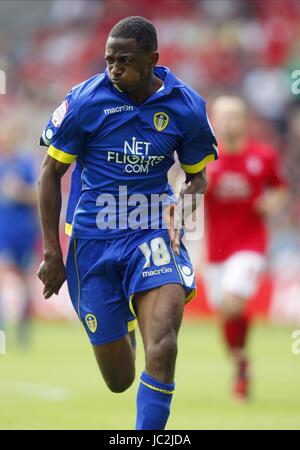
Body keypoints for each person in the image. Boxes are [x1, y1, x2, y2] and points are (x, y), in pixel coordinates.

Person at [38, 16, 218, 430]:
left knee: (165, 345)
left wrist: (184, 205)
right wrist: (53, 253)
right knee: (119, 380)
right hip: (92, 242)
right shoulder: (85, 101)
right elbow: (50, 173)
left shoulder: (186, 107)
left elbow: (197, 177)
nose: (114, 69)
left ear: (153, 60)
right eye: (108, 60)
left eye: (124, 61)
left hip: (151, 230)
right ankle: (124, 317)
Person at [204, 96, 287, 401]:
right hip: (217, 250)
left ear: (244, 120)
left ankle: (240, 363)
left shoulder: (262, 156)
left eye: (233, 117)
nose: (227, 123)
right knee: (226, 311)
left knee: (233, 302)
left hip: (250, 243)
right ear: (213, 121)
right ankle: (241, 362)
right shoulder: (205, 158)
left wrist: (272, 204)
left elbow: (279, 187)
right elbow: (182, 195)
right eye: (221, 117)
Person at [0, 118, 38, 346]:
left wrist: (19, 191)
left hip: (23, 230)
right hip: (3, 230)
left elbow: (37, 195)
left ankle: (23, 332)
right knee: (3, 277)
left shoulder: (26, 164)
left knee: (25, 281)